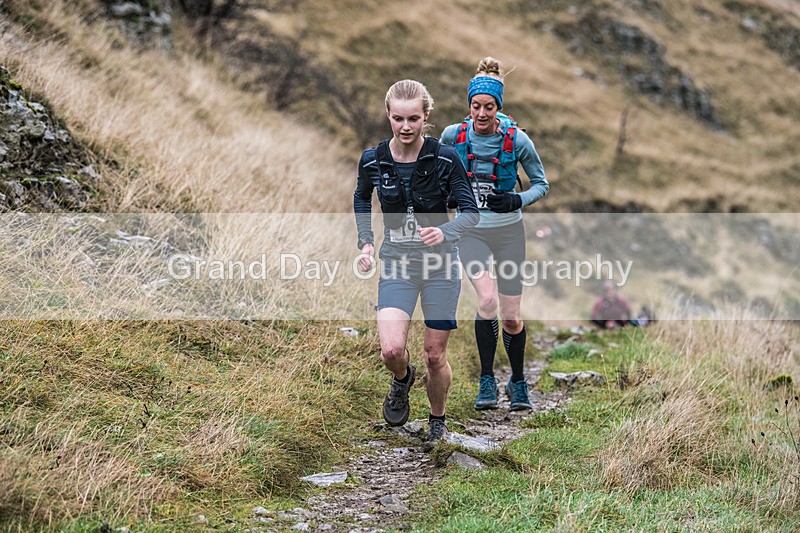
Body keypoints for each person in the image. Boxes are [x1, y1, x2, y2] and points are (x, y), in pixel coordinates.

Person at [354, 80, 479, 448]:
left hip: (440, 268)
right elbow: (362, 198)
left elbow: (469, 212)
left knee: (434, 354)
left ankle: (437, 422)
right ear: (388, 116)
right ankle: (403, 378)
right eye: (397, 119)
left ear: (426, 117)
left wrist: (446, 232)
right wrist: (365, 243)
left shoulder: (444, 158)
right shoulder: (373, 160)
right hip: (396, 264)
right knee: (391, 350)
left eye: (413, 119)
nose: (405, 127)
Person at [440, 57, 549, 411]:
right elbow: (437, 175)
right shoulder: (451, 136)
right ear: (468, 106)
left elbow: (542, 185)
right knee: (487, 302)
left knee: (512, 317)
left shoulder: (518, 141)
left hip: (509, 233)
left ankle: (517, 382)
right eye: (476, 106)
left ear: (499, 107)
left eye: (489, 107)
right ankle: (487, 379)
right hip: (470, 232)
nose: (482, 114)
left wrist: (517, 198)